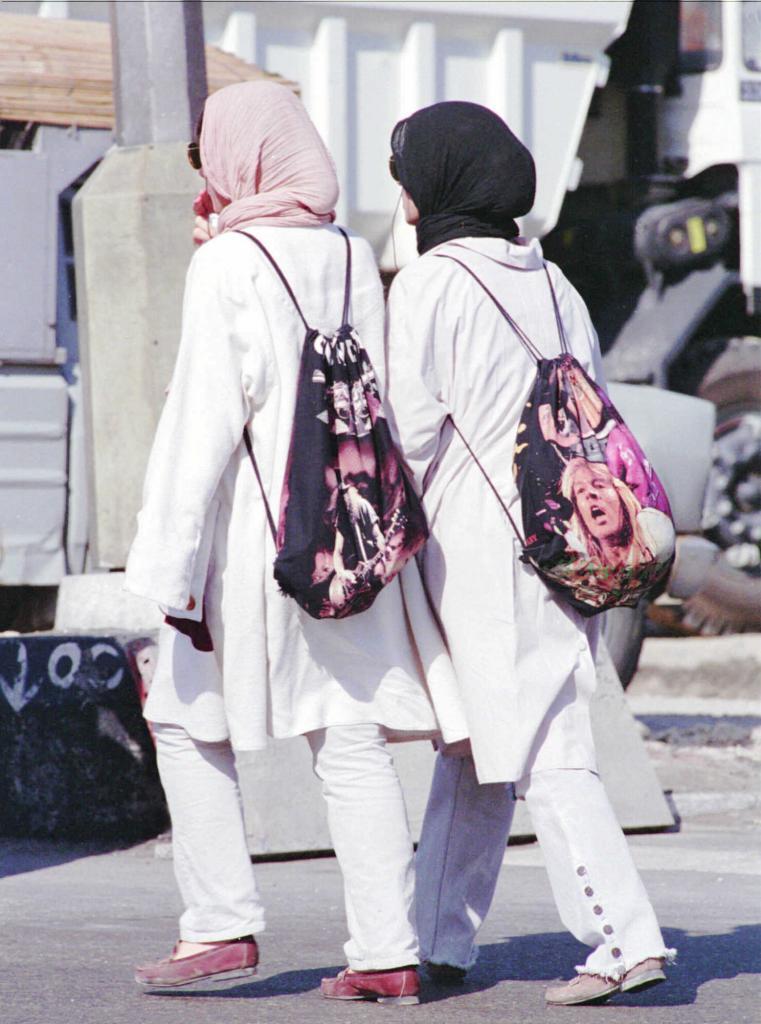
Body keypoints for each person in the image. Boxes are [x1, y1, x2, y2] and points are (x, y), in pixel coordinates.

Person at [124, 80, 466, 1004]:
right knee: (349, 739)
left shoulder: (228, 265)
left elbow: (201, 422)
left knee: (181, 719)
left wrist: (161, 566)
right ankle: (386, 952)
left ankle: (220, 926)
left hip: (251, 544)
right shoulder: (351, 250)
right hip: (347, 531)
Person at [384, 100, 675, 1007]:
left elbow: (410, 433)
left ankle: (623, 937)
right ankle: (432, 939)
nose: (396, 192)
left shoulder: (431, 285)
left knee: (546, 747)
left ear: (436, 184)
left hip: (480, 551)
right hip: (567, 538)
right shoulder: (556, 285)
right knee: (478, 747)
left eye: (403, 173)